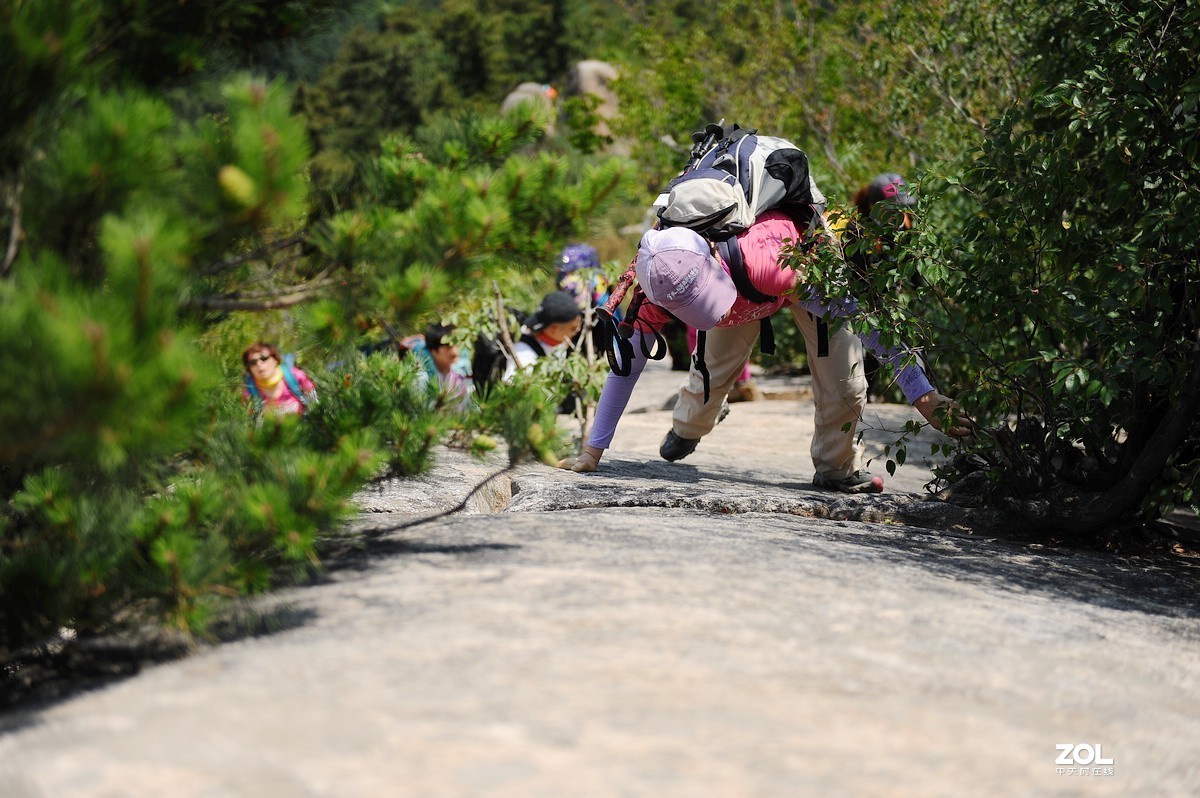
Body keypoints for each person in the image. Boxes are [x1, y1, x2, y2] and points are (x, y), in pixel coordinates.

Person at [557, 211, 974, 493]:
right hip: (747, 290)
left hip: (793, 281)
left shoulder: (775, 264)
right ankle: (688, 427)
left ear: (712, 264)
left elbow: (867, 324)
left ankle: (836, 469)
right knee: (712, 375)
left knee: (845, 384)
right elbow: (626, 366)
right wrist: (594, 451)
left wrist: (923, 395)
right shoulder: (658, 283)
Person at [844, 173, 920, 398]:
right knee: (865, 340)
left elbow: (911, 262)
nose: (897, 215)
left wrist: (920, 291)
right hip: (860, 288)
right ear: (872, 206)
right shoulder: (856, 228)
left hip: (887, 289)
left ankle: (877, 390)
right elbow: (854, 271)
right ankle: (865, 390)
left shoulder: (905, 223)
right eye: (890, 210)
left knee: (885, 341)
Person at [502, 290, 584, 380]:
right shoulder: (525, 357)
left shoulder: (557, 341)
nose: (577, 331)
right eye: (573, 328)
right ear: (554, 328)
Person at [404, 323, 472, 411]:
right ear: (433, 350)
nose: (455, 352)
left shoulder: (459, 376)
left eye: (456, 345)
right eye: (448, 347)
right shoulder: (422, 379)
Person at [242, 342, 316, 415]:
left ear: (275, 360)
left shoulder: (297, 376)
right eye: (253, 362)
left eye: (264, 358)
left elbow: (316, 405)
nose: (259, 364)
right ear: (249, 369)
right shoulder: (249, 392)